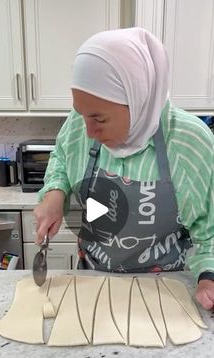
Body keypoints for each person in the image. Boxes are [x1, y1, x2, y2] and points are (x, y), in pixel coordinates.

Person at [34, 27, 214, 310]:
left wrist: (209, 277)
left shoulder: (188, 143)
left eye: (99, 119)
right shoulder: (82, 124)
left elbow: (210, 230)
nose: (89, 131)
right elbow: (61, 157)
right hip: (92, 278)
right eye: (81, 114)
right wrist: (55, 193)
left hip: (164, 291)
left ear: (139, 99)